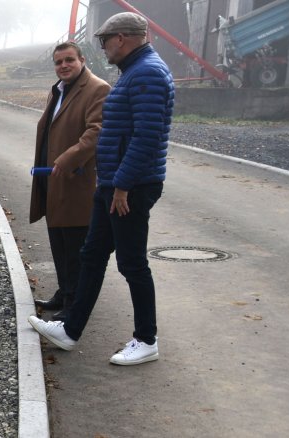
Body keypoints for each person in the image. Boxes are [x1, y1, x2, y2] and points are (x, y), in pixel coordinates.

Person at [28, 11, 174, 366]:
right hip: (113, 184)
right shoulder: (134, 72)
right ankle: (70, 328)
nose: (104, 49)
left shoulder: (147, 75)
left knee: (132, 264)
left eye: (105, 42)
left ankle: (146, 339)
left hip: (130, 186)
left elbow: (146, 138)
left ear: (121, 38)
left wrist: (122, 185)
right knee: (91, 256)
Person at [30, 42, 110, 322]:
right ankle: (64, 293)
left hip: (76, 180)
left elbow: (97, 132)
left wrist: (67, 158)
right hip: (52, 179)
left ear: (82, 60)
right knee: (59, 241)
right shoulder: (60, 89)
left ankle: (74, 304)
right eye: (58, 62)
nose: (63, 66)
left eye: (68, 60)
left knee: (75, 245)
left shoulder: (97, 89)